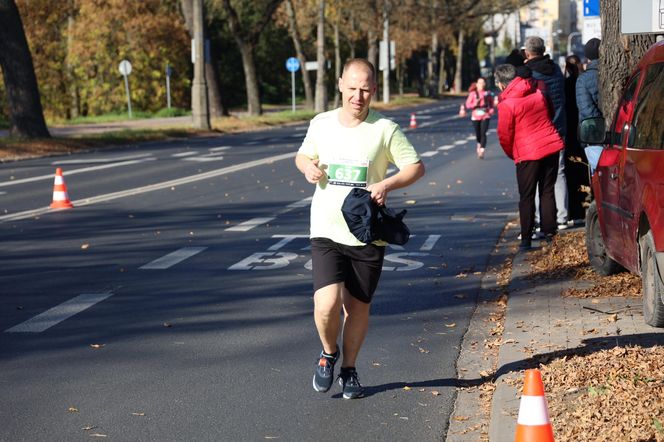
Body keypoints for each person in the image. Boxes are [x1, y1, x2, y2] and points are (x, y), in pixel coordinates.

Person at [295, 59, 425, 399]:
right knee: (325, 304)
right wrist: (307, 165)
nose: (358, 96)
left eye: (365, 89)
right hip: (325, 229)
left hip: (366, 232)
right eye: (352, 88)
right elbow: (302, 155)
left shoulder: (385, 129)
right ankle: (328, 354)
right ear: (340, 84)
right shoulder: (322, 123)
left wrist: (387, 184)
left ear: (374, 90)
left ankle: (349, 369)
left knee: (357, 308)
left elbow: (415, 167)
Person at [494, 64, 564, 249]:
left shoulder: (507, 104)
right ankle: (550, 233)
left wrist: (513, 153)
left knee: (527, 195)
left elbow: (504, 135)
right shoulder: (538, 93)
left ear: (501, 84)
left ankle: (526, 237)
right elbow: (549, 114)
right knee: (547, 191)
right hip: (550, 145)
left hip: (527, 153)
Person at [523, 36, 570, 231]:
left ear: (527, 53)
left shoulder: (531, 75)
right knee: (559, 173)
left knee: (535, 176)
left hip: (537, 131)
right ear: (543, 50)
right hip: (558, 127)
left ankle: (536, 218)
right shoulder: (556, 71)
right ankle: (562, 216)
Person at [564, 54, 589, 224]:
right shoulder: (583, 81)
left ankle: (575, 211)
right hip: (587, 131)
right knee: (585, 172)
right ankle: (587, 206)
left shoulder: (565, 85)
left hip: (570, 133)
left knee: (571, 173)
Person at [461, 77, 494, 159]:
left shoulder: (488, 93)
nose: (481, 84)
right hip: (475, 115)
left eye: (483, 82)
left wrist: (491, 110)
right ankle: (479, 144)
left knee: (483, 132)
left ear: (485, 84)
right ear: (477, 84)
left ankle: (482, 150)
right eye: (480, 82)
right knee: (478, 133)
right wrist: (475, 104)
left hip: (485, 115)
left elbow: (491, 104)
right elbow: (468, 105)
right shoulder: (473, 94)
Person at [576, 38, 602, 121]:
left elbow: (586, 110)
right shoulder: (613, 70)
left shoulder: (582, 80)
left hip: (594, 128)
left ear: (587, 57)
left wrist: (602, 123)